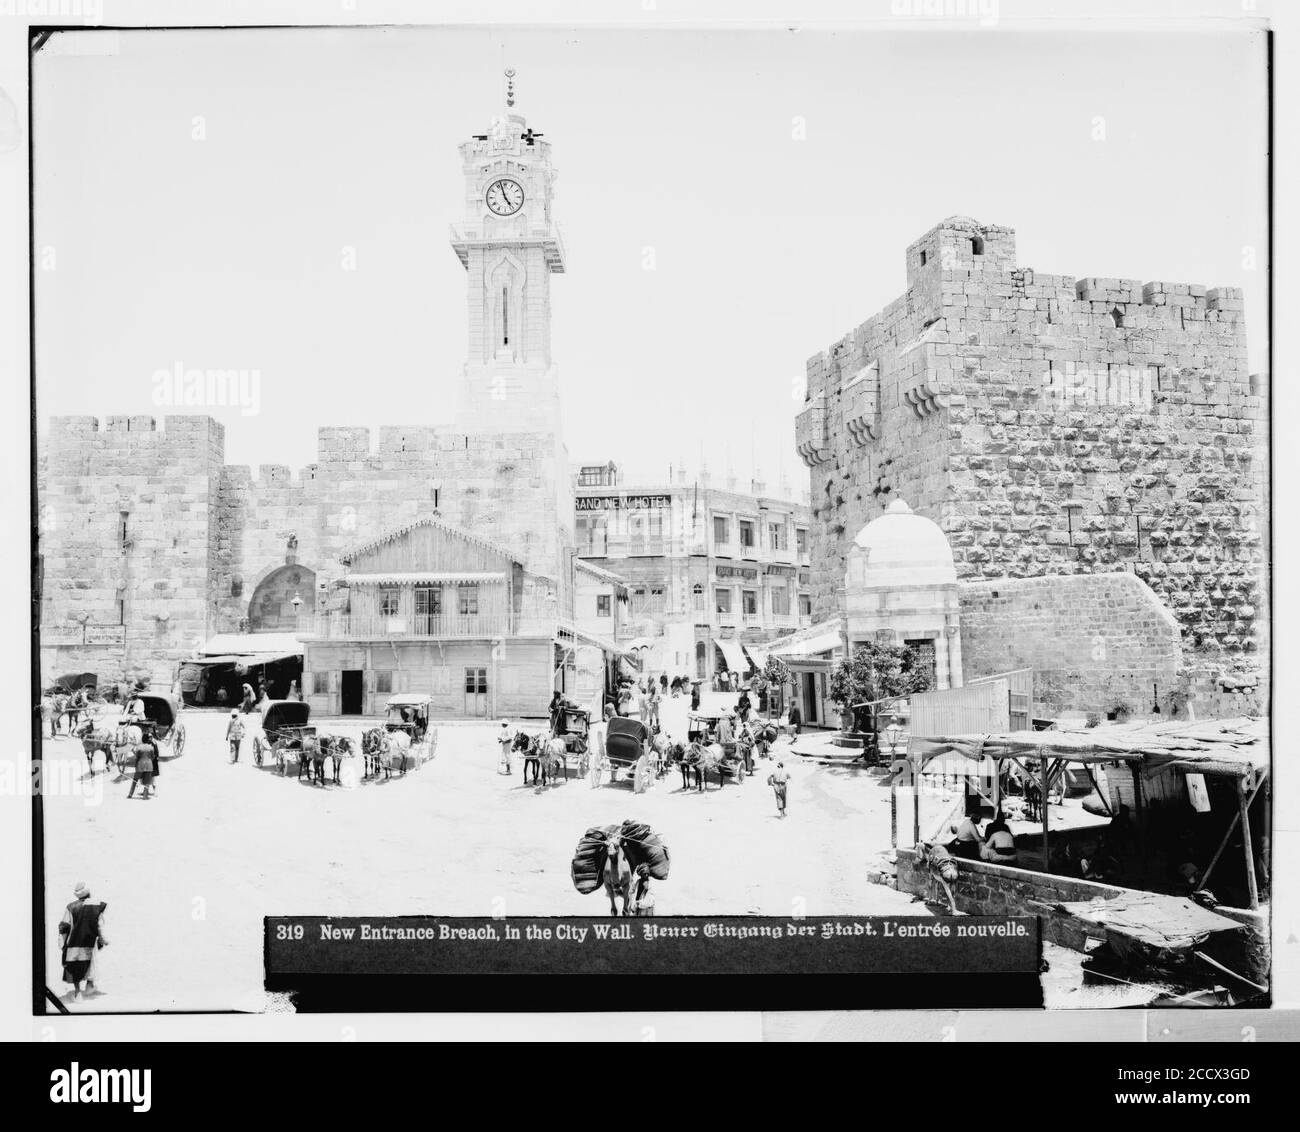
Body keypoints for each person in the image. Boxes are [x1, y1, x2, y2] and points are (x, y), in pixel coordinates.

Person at [58, 882, 108, 1001]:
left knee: (75, 968)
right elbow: (100, 925)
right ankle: (89, 986)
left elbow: (64, 926)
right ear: (89, 893)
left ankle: (77, 993)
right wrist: (102, 938)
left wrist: (62, 943)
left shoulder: (71, 907)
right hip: (90, 943)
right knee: (91, 965)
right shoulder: (97, 905)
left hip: (74, 943)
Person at [588, 706, 612, 788]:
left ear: (606, 716)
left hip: (605, 746)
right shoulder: (611, 724)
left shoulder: (604, 725)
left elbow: (599, 736)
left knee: (600, 735)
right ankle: (613, 777)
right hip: (608, 746)